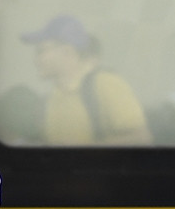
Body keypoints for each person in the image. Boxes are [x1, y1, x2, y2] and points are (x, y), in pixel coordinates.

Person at [22, 14, 150, 145]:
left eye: (41, 51)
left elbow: (140, 138)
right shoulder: (52, 99)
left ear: (67, 52)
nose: (36, 60)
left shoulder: (105, 83)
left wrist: (84, 155)